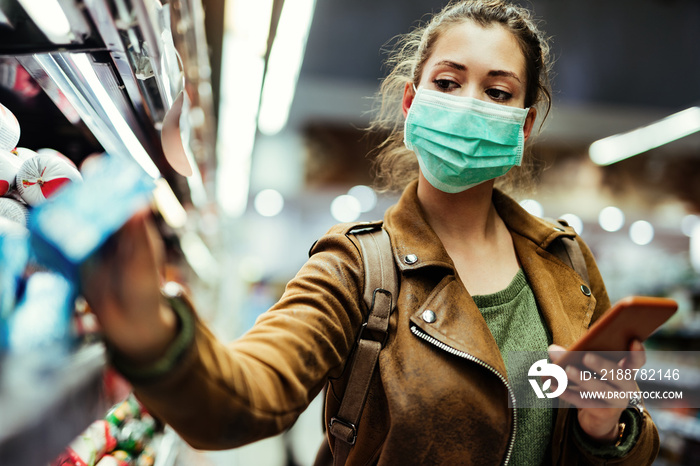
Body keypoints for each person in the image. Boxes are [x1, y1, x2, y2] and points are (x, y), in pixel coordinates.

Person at [80, 1, 660, 464]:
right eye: (449, 82)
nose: (468, 105)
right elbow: (252, 393)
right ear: (411, 103)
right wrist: (156, 337)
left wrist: (605, 426)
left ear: (525, 126)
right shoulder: (357, 265)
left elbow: (626, 436)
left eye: (498, 92)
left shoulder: (567, 263)